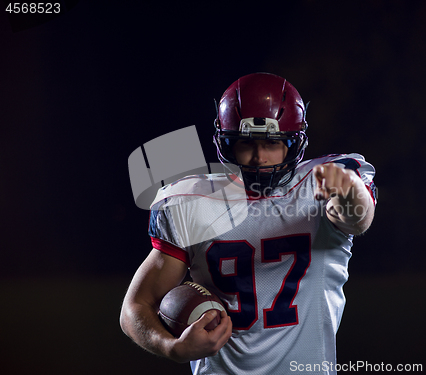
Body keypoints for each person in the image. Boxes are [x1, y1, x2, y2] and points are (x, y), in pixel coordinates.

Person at [120, 72, 376, 374]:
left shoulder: (321, 185)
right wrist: (172, 347)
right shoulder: (192, 203)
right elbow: (136, 307)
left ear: (294, 144)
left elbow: (357, 220)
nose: (258, 157)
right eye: (245, 143)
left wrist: (348, 190)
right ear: (226, 144)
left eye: (271, 143)